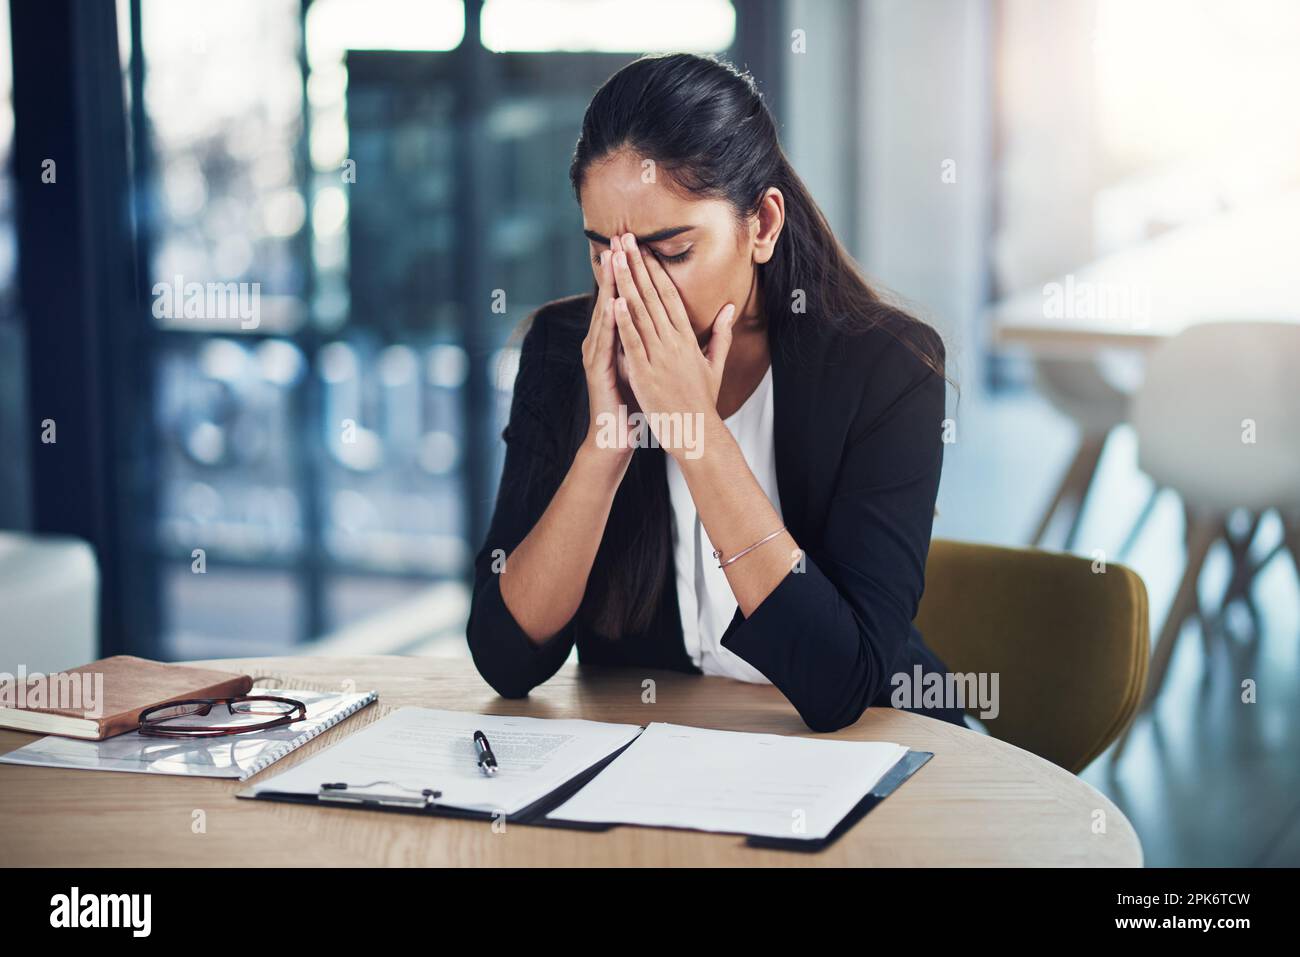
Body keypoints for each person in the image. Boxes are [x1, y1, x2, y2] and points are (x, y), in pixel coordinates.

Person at [466, 52, 968, 733]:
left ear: (760, 225)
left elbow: (842, 684)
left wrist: (696, 435)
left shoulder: (887, 370)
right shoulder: (564, 353)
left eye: (671, 252)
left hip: (873, 750)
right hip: (662, 763)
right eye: (604, 254)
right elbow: (505, 660)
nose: (632, 293)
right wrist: (602, 452)